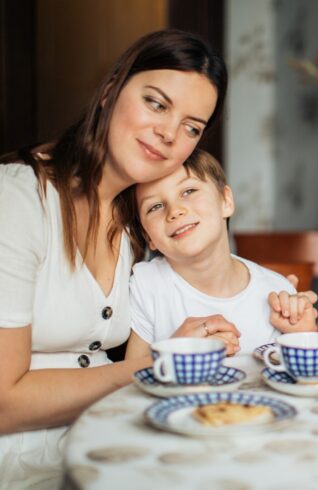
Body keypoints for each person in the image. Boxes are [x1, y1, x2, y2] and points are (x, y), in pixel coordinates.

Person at [0, 29, 232, 488]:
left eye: (192, 127)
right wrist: (150, 368)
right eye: (157, 103)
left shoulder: (138, 217)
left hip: (106, 441)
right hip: (21, 464)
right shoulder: (17, 199)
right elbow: (2, 403)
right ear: (110, 92)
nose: (169, 134)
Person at [124, 149, 318, 359]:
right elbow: (129, 381)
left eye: (188, 191)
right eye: (156, 206)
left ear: (226, 201)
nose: (175, 211)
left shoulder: (278, 293)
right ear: (148, 236)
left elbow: (300, 382)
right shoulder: (147, 285)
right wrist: (175, 351)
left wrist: (303, 338)